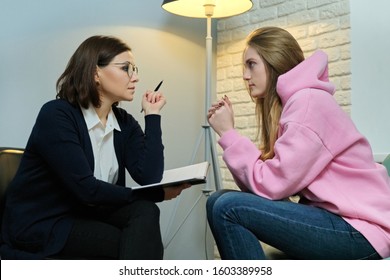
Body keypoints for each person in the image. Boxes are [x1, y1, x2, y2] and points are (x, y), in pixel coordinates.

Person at [206, 27, 390, 260]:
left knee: (227, 207)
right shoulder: (297, 104)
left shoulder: (307, 104)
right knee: (217, 200)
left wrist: (228, 133)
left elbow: (270, 185)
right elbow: (269, 190)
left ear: (274, 61)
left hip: (363, 230)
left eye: (251, 64)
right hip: (339, 221)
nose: (245, 75)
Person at [0, 35, 189, 260]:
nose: (136, 78)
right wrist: (155, 194)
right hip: (45, 222)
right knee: (128, 243)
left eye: (135, 69)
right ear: (95, 73)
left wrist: (153, 116)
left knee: (146, 211)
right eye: (126, 68)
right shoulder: (57, 115)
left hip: (88, 215)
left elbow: (149, 175)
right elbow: (86, 189)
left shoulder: (124, 122)